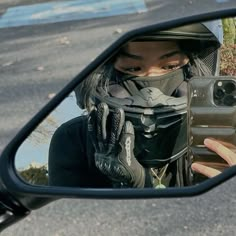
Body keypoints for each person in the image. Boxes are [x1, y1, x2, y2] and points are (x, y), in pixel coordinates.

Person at [48, 20, 235, 188]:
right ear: (101, 77)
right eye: (132, 69)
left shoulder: (220, 136)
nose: (151, 93)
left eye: (170, 66)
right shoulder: (75, 140)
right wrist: (123, 183)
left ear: (193, 70)